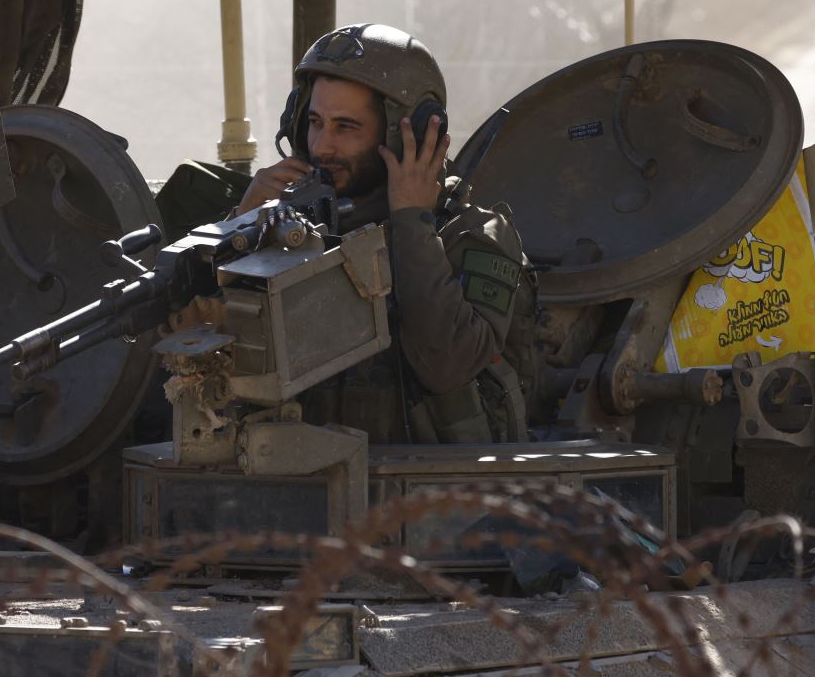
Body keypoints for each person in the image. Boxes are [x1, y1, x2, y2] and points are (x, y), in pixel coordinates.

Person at [159, 23, 537, 444]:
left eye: (346, 127)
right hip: (294, 472)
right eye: (315, 122)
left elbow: (448, 365)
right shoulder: (288, 223)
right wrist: (242, 223)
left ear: (403, 133)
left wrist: (412, 221)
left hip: (429, 489)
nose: (321, 146)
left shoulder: (472, 234)